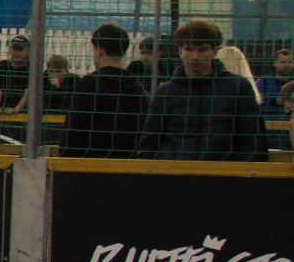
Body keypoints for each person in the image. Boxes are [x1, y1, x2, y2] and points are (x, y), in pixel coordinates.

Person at [136, 19, 268, 161]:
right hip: (174, 171)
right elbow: (149, 142)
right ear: (180, 51)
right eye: (189, 49)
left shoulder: (238, 88)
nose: (195, 57)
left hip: (224, 171)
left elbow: (251, 139)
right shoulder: (165, 92)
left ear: (214, 51)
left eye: (202, 49)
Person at [59, 23, 148, 158]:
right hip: (129, 164)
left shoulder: (90, 84)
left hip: (91, 165)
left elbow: (73, 135)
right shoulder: (137, 87)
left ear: (100, 50)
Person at [0, 35, 33, 112]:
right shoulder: (2, 66)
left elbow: (28, 92)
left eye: (20, 49)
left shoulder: (32, 68)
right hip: (3, 108)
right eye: (14, 48)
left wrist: (16, 110)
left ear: (28, 51)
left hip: (25, 112)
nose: (16, 52)